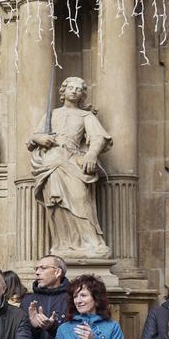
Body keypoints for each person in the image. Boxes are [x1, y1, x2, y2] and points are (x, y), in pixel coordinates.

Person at [29, 76, 113, 259]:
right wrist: (40, 138)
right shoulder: (52, 114)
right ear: (63, 91)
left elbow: (99, 137)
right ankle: (63, 244)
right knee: (56, 205)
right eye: (71, 88)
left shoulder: (86, 116)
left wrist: (91, 154)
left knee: (80, 199)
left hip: (72, 161)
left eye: (79, 89)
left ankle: (91, 243)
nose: (74, 91)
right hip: (51, 162)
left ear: (83, 95)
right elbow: (34, 137)